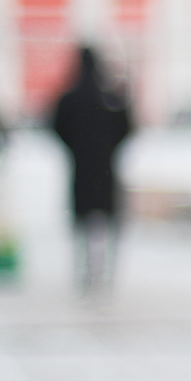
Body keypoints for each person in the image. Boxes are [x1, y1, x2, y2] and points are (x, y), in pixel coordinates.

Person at [51, 45, 135, 296]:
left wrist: (74, 148)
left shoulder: (70, 97)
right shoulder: (109, 96)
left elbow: (56, 126)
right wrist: (109, 148)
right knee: (108, 221)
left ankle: (84, 271)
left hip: (81, 169)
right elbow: (127, 126)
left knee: (82, 223)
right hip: (106, 169)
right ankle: (107, 272)